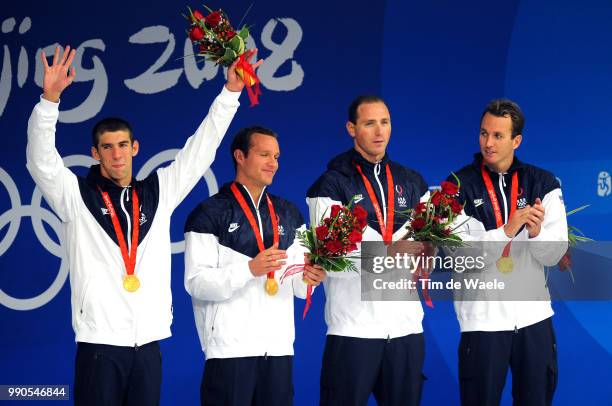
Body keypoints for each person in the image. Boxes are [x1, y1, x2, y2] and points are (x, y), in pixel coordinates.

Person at [26, 44, 260, 405]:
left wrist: (230, 93)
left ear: (135, 148)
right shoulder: (76, 195)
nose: (116, 154)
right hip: (100, 346)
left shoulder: (158, 192)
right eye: (107, 147)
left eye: (123, 145)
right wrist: (49, 101)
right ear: (95, 153)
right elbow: (40, 161)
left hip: (149, 345)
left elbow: (200, 151)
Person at [184, 126, 326, 406]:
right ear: (240, 156)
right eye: (264, 154)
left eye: (276, 156)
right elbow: (196, 283)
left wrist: (308, 278)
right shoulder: (209, 213)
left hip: (278, 349)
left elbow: (296, 285)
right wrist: (250, 269)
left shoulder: (289, 212)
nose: (273, 163)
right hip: (229, 350)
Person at [306, 95, 430, 405]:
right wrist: (391, 252)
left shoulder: (412, 182)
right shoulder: (331, 185)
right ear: (352, 128)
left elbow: (431, 242)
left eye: (385, 122)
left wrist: (428, 251)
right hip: (353, 331)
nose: (379, 131)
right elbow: (332, 254)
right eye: (369, 123)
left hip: (405, 331)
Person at [448, 99, 568, 405]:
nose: (488, 143)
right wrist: (507, 230)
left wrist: (538, 233)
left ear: (516, 140)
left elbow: (553, 255)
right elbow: (461, 256)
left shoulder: (543, 183)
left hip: (534, 321)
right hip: (483, 323)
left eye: (498, 136)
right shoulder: (457, 187)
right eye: (484, 133)